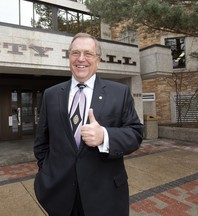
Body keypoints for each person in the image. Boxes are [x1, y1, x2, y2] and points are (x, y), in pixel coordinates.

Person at [34, 32, 143, 216]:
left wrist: (104, 137)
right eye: (75, 53)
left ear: (98, 60)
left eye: (88, 54)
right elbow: (42, 142)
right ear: (69, 58)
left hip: (105, 196)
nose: (81, 59)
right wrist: (47, 172)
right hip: (59, 195)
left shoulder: (119, 92)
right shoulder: (51, 94)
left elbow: (135, 134)